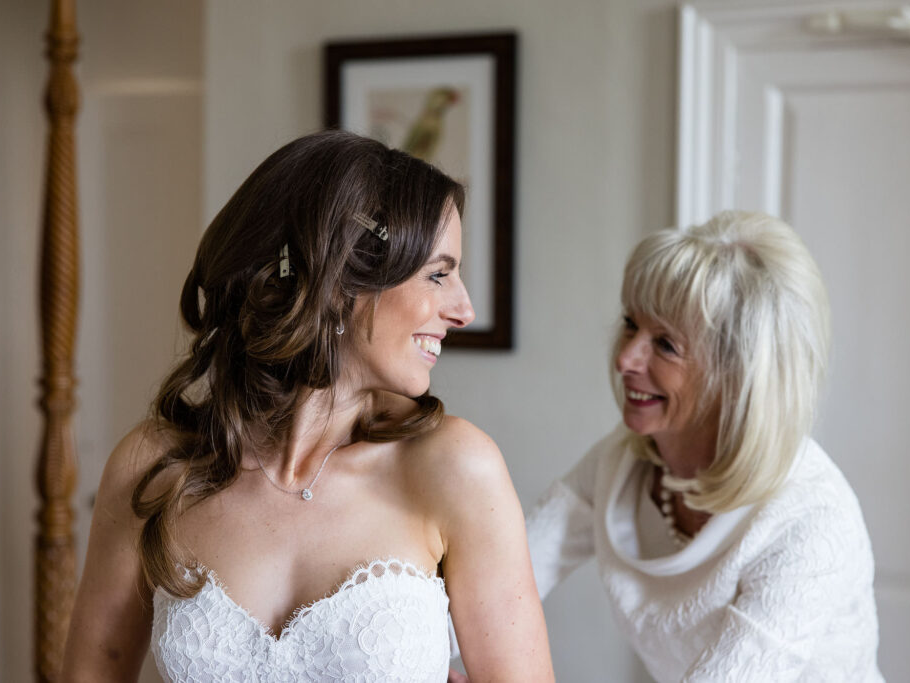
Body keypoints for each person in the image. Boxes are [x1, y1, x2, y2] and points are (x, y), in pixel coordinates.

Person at [61, 130, 554, 682]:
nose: (463, 310)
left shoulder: (456, 466)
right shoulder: (154, 468)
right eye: (438, 274)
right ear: (340, 278)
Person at [526, 211, 882, 681]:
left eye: (666, 345)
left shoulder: (811, 519)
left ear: (736, 375)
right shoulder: (621, 460)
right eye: (631, 324)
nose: (624, 358)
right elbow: (504, 576)